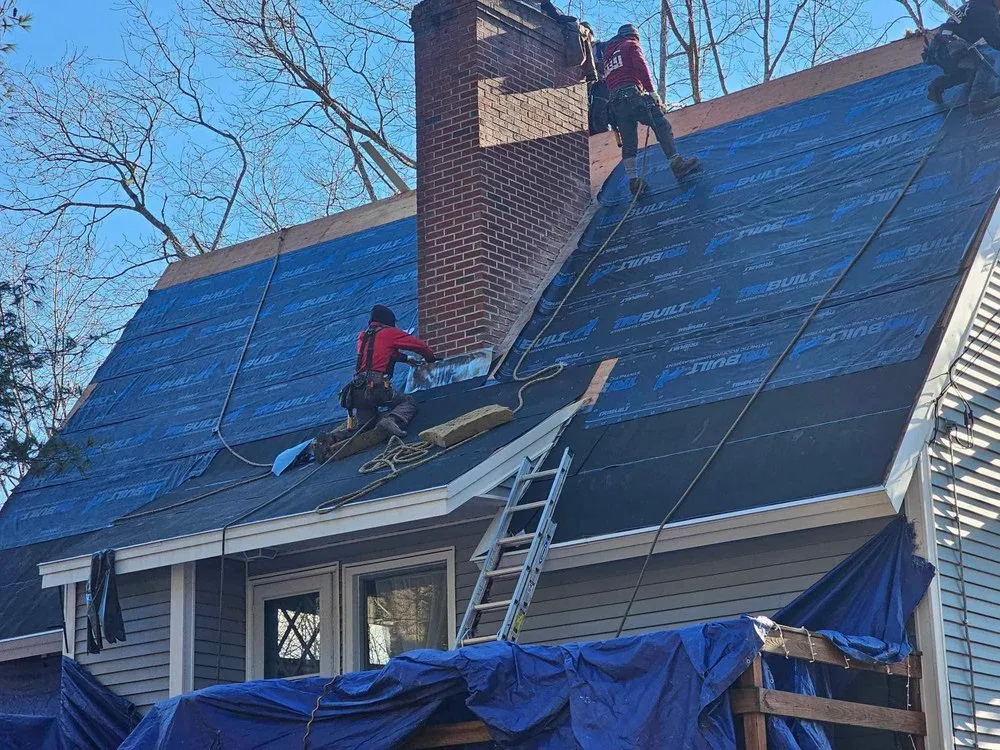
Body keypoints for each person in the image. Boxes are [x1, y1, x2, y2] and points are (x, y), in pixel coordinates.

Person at [602, 23, 701, 197]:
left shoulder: (608, 57)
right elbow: (640, 65)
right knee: (661, 125)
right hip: (632, 96)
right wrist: (651, 91)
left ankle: (634, 182)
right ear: (633, 36)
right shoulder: (630, 45)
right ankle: (676, 162)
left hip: (616, 105)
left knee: (629, 142)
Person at [337, 305, 436, 439]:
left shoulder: (363, 337)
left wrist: (406, 358)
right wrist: (431, 360)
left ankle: (333, 438)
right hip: (375, 388)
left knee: (365, 428)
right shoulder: (389, 333)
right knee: (408, 402)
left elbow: (381, 353)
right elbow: (420, 346)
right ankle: (391, 421)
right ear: (388, 321)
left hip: (357, 391)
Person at [923, 0, 1000, 115]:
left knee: (970, 72)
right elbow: (994, 39)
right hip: (950, 47)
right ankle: (978, 103)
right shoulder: (984, 9)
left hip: (939, 50)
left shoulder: (978, 5)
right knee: (985, 63)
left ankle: (936, 87)